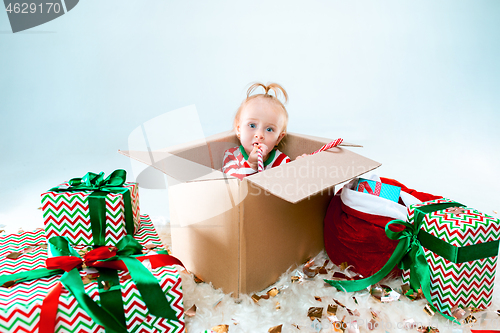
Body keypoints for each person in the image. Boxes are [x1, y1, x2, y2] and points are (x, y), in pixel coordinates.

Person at [222, 82, 293, 180]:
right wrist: (251, 164)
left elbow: (289, 184)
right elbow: (230, 182)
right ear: (238, 129)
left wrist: (300, 166)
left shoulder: (282, 161)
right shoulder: (232, 156)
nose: (259, 135)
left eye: (269, 129)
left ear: (278, 138)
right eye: (252, 125)